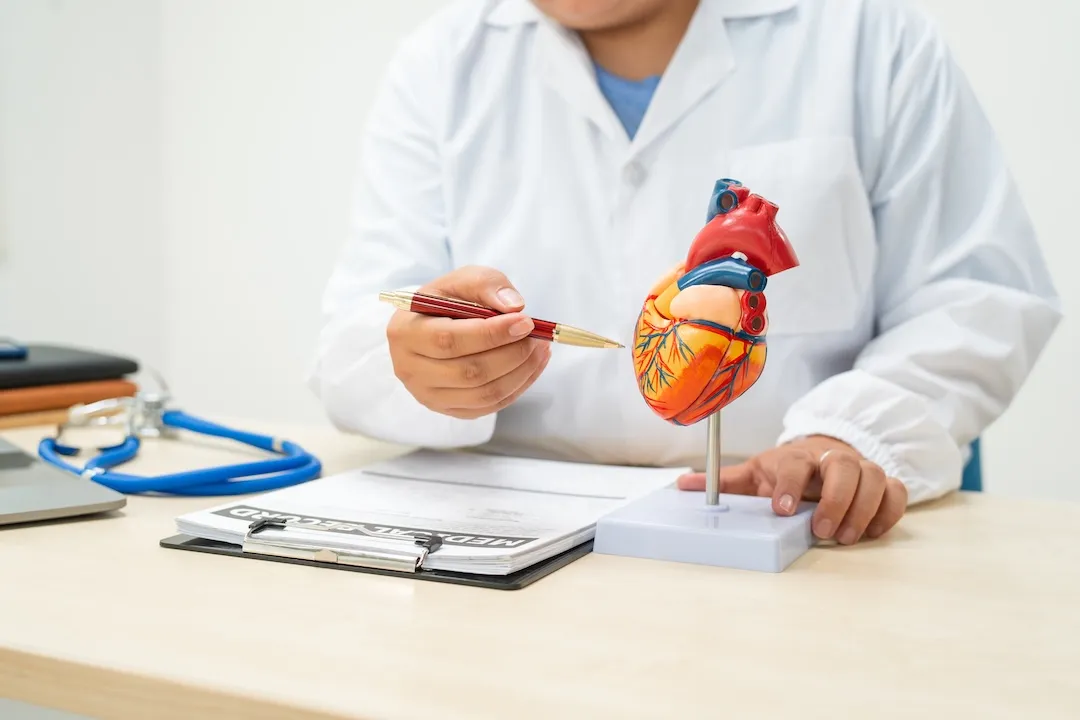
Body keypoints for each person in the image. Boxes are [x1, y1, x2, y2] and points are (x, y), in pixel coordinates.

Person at [307, 0, 1062, 546]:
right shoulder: (440, 66)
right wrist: (419, 362)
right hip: (529, 540)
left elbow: (975, 298)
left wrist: (852, 434)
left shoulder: (872, 39)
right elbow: (359, 330)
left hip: (798, 536)